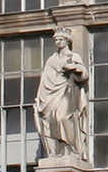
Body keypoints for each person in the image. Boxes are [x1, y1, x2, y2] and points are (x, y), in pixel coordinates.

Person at [33, 29, 88, 160]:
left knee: (63, 118)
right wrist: (41, 98)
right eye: (56, 40)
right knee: (50, 121)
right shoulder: (51, 59)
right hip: (50, 94)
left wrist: (74, 68)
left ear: (67, 41)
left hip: (66, 90)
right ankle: (55, 152)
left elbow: (84, 74)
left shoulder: (73, 56)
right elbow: (45, 79)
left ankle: (73, 150)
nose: (58, 42)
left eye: (60, 39)